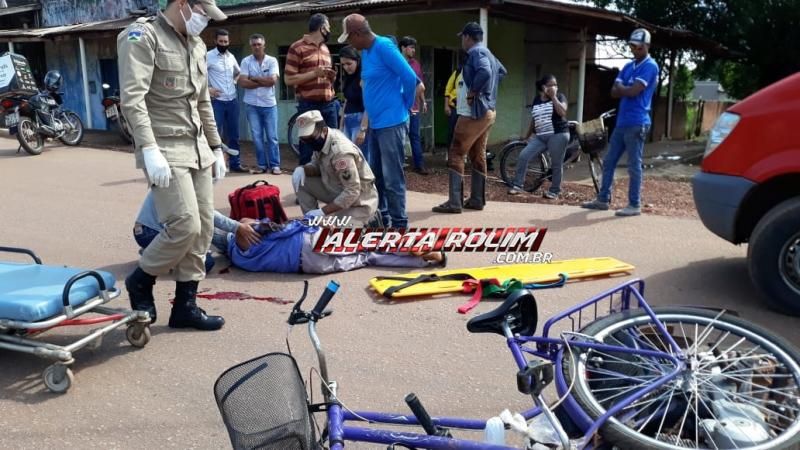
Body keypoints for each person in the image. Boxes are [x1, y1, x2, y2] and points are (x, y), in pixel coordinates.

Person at [117, 0, 228, 331]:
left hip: (197, 148)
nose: (205, 21)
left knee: (204, 228)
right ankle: (141, 279)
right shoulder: (142, 36)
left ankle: (185, 306)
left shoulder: (196, 43)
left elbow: (203, 100)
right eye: (203, 13)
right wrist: (149, 149)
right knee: (184, 224)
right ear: (182, 5)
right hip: (164, 146)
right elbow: (132, 99)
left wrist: (217, 145)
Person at [338, 14, 418, 228]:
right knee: (376, 176)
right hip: (375, 123)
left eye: (349, 38)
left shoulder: (384, 47)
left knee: (393, 178)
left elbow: (410, 78)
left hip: (392, 122)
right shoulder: (366, 52)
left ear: (358, 34)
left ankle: (400, 225)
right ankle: (381, 218)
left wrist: (406, 104)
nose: (349, 43)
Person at [582, 29, 659, 217]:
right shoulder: (628, 66)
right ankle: (602, 199)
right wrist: (626, 89)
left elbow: (633, 91)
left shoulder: (651, 66)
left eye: (637, 46)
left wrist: (624, 88)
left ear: (646, 46)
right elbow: (613, 92)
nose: (634, 49)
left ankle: (634, 204)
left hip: (637, 121)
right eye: (631, 46)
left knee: (634, 164)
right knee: (609, 161)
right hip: (622, 121)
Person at [433, 22, 506, 214]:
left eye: (462, 37)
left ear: (467, 37)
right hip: (488, 112)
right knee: (477, 154)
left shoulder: (476, 53)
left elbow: (486, 72)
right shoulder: (488, 53)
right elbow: (501, 72)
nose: (461, 41)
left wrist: (474, 92)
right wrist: (490, 94)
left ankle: (454, 202)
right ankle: (476, 199)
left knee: (456, 153)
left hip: (473, 113)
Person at [223, 217, 446, 274]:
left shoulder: (240, 261)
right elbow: (283, 229)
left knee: (367, 258)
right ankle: (418, 248)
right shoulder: (245, 230)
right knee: (368, 241)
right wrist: (307, 221)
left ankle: (419, 260)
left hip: (310, 267)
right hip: (310, 243)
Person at [133, 190, 262, 272]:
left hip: (161, 229)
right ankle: (155, 255)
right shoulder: (184, 178)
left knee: (198, 226)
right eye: (224, 157)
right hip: (150, 232)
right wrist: (237, 227)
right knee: (206, 263)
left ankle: (159, 253)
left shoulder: (193, 174)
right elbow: (205, 213)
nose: (225, 161)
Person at [292, 110, 379, 227]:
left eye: (310, 138)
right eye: (304, 139)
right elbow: (316, 166)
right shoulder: (321, 140)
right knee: (301, 181)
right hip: (337, 188)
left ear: (323, 130)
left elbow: (352, 191)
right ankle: (314, 224)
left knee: (341, 238)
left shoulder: (341, 152)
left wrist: (322, 212)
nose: (308, 142)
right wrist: (303, 169)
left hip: (359, 200)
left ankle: (371, 219)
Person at [285, 13, 338, 165]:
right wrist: (315, 73)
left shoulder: (326, 49)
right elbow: (288, 79)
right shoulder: (297, 48)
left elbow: (323, 76)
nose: (330, 30)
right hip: (308, 105)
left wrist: (330, 77)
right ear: (322, 28)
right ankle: (306, 187)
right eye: (328, 27)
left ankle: (329, 185)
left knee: (332, 148)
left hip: (329, 104)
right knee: (308, 151)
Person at [508, 75, 569, 199]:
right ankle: (518, 185)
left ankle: (554, 191)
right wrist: (527, 136)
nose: (554, 87)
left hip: (557, 135)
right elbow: (534, 119)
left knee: (556, 164)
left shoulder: (560, 97)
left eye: (555, 85)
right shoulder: (537, 99)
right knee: (524, 156)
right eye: (551, 85)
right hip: (540, 137)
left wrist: (553, 97)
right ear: (543, 87)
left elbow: (562, 112)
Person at [237, 33, 281, 175]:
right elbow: (242, 82)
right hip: (252, 105)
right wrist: (263, 81)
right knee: (257, 137)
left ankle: (275, 165)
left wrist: (254, 78)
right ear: (251, 46)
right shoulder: (245, 61)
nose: (256, 47)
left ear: (264, 45)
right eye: (254, 45)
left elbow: (272, 81)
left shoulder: (272, 61)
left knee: (272, 136)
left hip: (269, 105)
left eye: (259, 44)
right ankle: (262, 165)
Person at [207, 29, 244, 172]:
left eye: (226, 42)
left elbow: (239, 72)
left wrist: (235, 81)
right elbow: (199, 75)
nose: (224, 44)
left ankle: (235, 164)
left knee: (234, 134)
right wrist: (208, 89)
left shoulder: (231, 57)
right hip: (217, 102)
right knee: (215, 134)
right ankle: (215, 165)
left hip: (232, 101)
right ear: (215, 41)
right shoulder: (208, 56)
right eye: (221, 41)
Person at [399, 36, 430, 175]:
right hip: (399, 107)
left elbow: (420, 84)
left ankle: (419, 165)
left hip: (414, 106)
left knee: (415, 136)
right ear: (403, 48)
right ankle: (398, 165)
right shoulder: (396, 63)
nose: (413, 50)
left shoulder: (415, 64)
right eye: (411, 47)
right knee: (399, 137)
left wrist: (423, 101)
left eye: (414, 47)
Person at [338, 45, 367, 154]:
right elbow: (346, 101)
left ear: (357, 61)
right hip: (347, 121)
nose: (346, 67)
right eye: (343, 64)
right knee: (348, 157)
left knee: (359, 157)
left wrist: (363, 129)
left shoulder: (363, 78)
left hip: (359, 121)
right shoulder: (348, 78)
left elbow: (368, 105)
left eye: (349, 63)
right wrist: (341, 126)